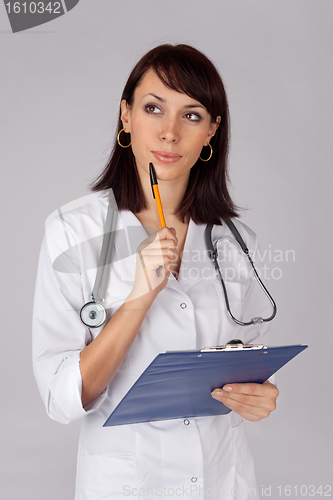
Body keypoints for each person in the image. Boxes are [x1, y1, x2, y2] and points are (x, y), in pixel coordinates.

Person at [33, 44, 279, 500]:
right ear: (126, 116)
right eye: (153, 108)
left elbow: (244, 358)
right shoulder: (72, 230)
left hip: (222, 479)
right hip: (128, 483)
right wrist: (138, 298)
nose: (169, 133)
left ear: (211, 132)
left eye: (191, 115)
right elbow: (62, 398)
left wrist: (257, 396)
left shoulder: (236, 241)